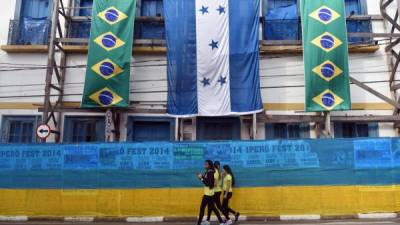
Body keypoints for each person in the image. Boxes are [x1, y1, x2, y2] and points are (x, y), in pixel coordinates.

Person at [196, 160, 225, 225]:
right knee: (213, 208)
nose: (205, 165)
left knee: (202, 208)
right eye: (205, 164)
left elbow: (208, 184)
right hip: (210, 194)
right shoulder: (209, 172)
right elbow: (208, 181)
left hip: (208, 194)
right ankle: (221, 222)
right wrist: (202, 177)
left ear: (209, 165)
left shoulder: (210, 172)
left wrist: (201, 178)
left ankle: (199, 223)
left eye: (206, 164)